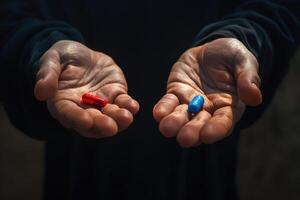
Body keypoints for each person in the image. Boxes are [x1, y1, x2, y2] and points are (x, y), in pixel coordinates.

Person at [0, 0, 299, 199]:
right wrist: (41, 48)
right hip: (81, 153)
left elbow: (278, 8)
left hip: (199, 151)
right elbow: (12, 14)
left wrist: (243, 36)